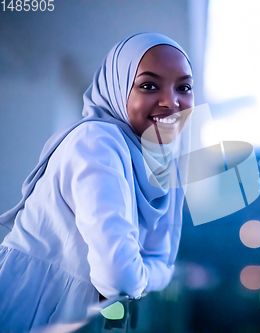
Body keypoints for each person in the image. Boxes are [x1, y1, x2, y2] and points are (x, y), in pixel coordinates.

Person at [0, 32, 194, 332]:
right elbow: (121, 278)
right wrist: (146, 275)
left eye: (184, 87)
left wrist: (144, 273)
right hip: (33, 303)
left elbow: (160, 262)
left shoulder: (161, 163)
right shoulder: (98, 142)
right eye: (148, 85)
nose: (171, 102)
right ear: (117, 87)